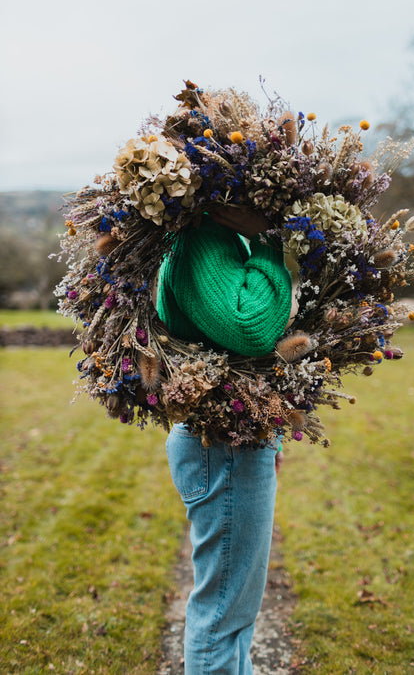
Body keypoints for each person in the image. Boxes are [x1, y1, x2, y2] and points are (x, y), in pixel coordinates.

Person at [157, 205, 294, 674]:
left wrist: (271, 436)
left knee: (235, 612)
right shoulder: (203, 238)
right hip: (222, 445)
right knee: (222, 614)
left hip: (233, 440)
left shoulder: (218, 236)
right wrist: (269, 240)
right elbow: (250, 326)